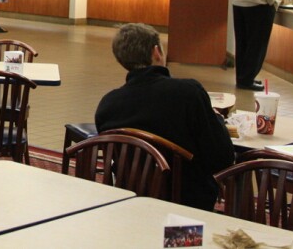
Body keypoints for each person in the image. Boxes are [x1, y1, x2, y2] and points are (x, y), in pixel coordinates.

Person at [95, 23, 235, 211]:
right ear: (156, 52)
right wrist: (217, 120)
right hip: (186, 209)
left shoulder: (108, 105)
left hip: (131, 205)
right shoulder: (188, 93)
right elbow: (222, 158)